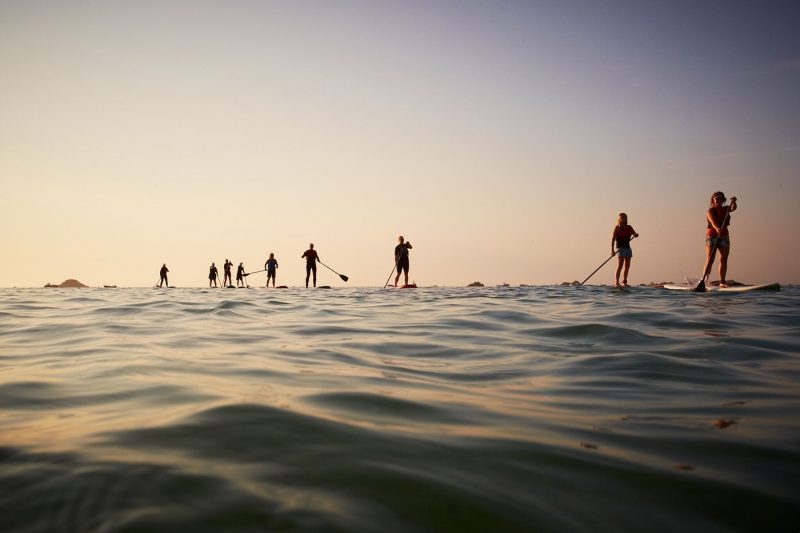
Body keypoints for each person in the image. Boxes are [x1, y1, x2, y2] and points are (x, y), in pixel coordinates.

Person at [702, 191, 737, 287]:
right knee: (710, 259)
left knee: (724, 259)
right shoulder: (710, 211)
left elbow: (733, 208)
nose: (719, 200)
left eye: (721, 199)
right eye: (717, 198)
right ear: (713, 200)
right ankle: (704, 280)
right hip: (712, 236)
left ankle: (722, 282)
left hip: (724, 236)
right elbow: (712, 222)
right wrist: (717, 229)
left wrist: (734, 201)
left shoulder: (726, 209)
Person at [611, 213, 639, 287]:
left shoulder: (629, 227)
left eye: (625, 217)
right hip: (620, 247)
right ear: (619, 219)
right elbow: (613, 239)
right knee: (620, 265)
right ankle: (617, 282)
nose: (624, 219)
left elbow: (634, 234)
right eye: (622, 218)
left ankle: (624, 281)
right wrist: (612, 250)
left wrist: (636, 235)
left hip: (627, 247)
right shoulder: (617, 228)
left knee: (627, 266)